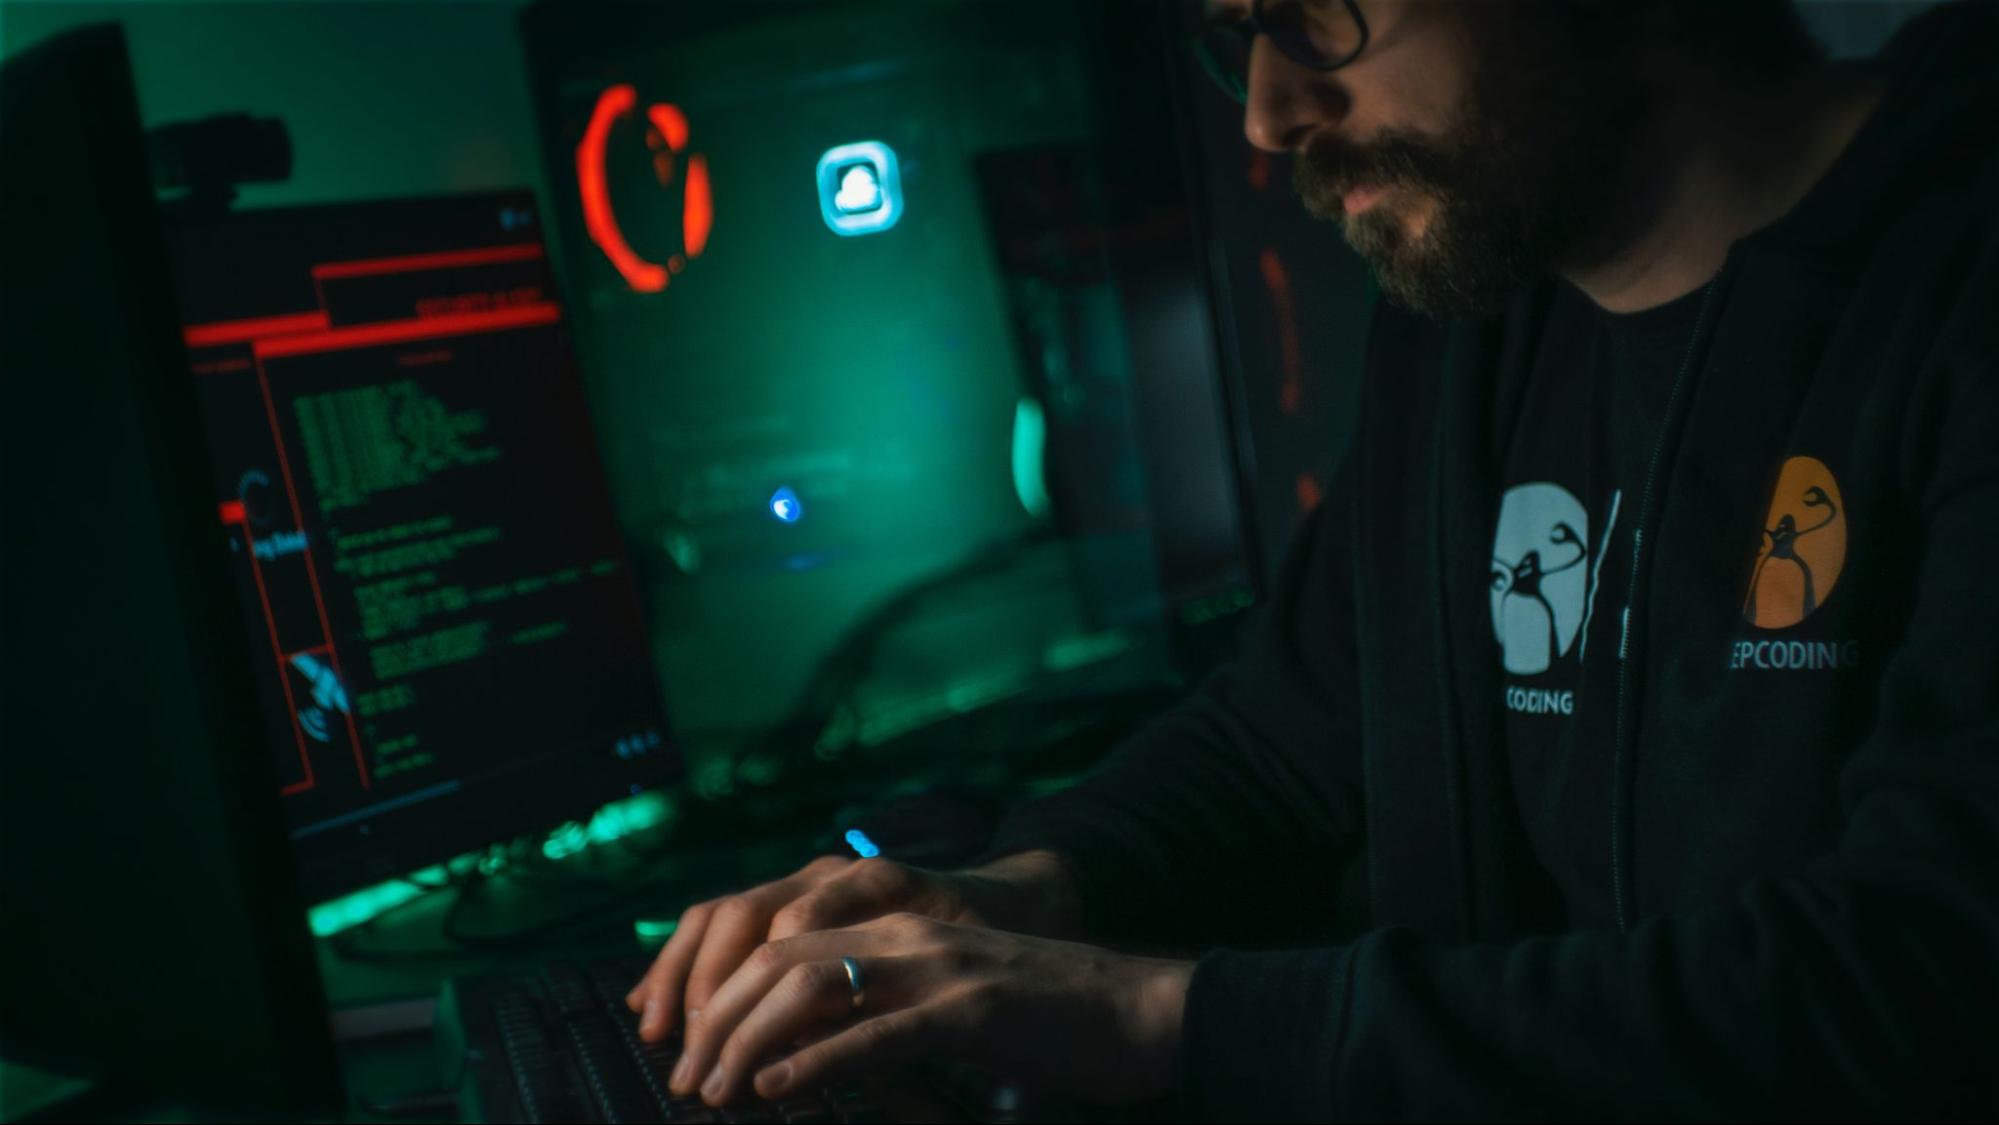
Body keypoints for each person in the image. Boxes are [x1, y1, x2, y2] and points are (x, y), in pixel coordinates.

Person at [626, 0, 1999, 1116]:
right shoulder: (1478, 312)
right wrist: (1011, 892)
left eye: (1315, 18)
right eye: (1238, 35)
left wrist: (1159, 1016)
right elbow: (1289, 732)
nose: (1270, 115)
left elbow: (1914, 978)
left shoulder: (1961, 281)